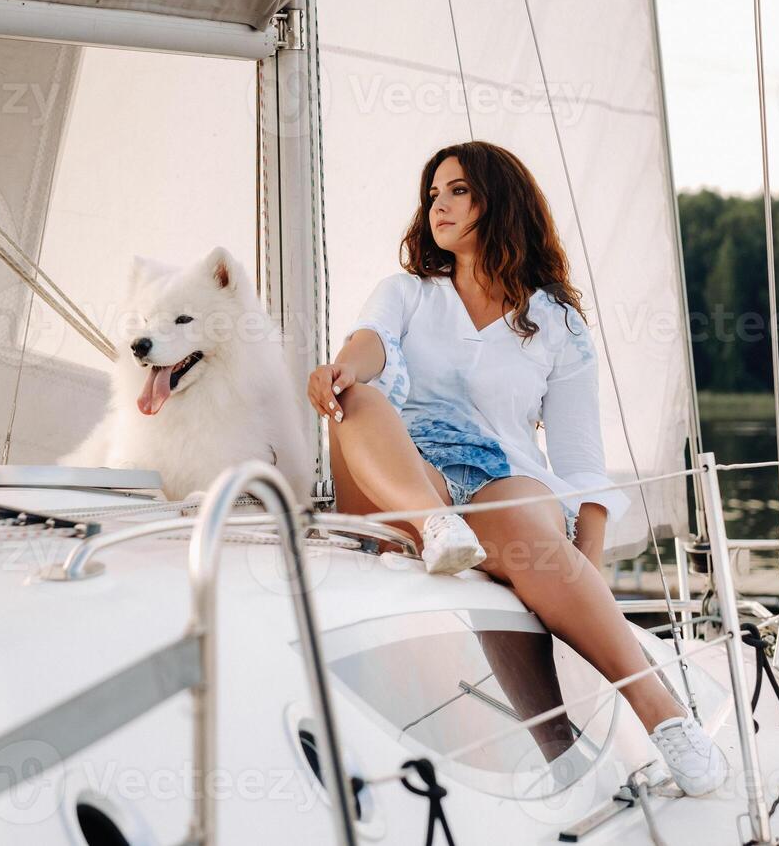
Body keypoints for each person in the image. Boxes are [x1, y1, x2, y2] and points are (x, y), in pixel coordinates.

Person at [306, 141, 728, 795]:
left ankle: (661, 721)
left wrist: (584, 559)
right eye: (432, 194)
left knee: (528, 527)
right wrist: (343, 368)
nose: (437, 206)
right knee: (356, 399)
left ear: (497, 202)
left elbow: (581, 459)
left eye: (458, 192)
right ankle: (437, 525)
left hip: (498, 488)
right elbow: (373, 345)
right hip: (401, 476)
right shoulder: (409, 293)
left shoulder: (557, 322)